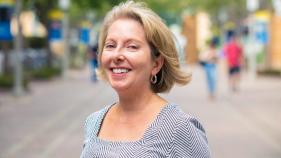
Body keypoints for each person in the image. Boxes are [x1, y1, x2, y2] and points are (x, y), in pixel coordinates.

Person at [80, 1, 211, 157]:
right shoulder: (94, 122)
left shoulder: (178, 128)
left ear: (156, 63)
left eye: (132, 46)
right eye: (110, 45)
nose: (117, 55)